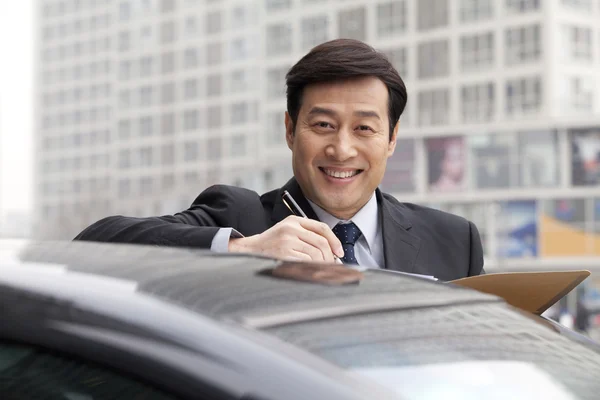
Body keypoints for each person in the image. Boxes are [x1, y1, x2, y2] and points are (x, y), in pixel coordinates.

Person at [74, 39, 484, 280]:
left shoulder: (453, 240)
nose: (342, 150)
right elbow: (94, 244)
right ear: (290, 130)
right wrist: (244, 250)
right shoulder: (241, 216)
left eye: (364, 128)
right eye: (323, 125)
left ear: (392, 138)